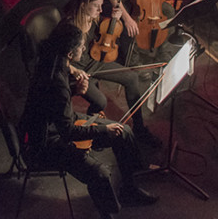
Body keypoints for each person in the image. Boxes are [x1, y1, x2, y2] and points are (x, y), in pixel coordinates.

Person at [20, 22, 158, 219]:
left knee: (124, 131)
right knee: (99, 173)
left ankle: (129, 188)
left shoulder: (52, 60)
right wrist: (104, 130)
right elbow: (68, 131)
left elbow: (57, 107)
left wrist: (75, 91)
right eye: (81, 47)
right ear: (69, 53)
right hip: (46, 144)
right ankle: (107, 215)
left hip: (60, 124)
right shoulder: (55, 79)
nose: (84, 49)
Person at [61, 0, 161, 147]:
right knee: (100, 102)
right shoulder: (68, 27)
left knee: (132, 77)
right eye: (96, 6)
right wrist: (75, 70)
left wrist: (114, 19)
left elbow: (103, 31)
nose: (101, 10)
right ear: (83, 5)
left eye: (101, 6)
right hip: (76, 70)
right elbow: (59, 59)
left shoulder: (93, 17)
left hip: (93, 62)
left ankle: (140, 129)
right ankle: (96, 134)